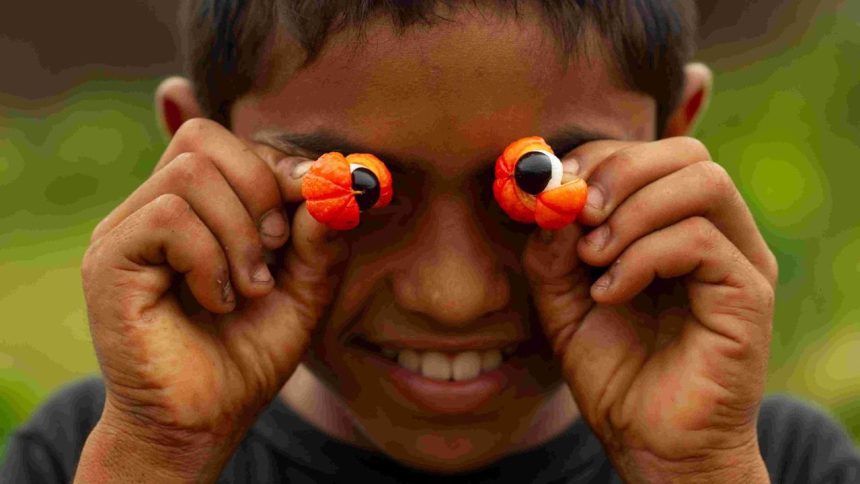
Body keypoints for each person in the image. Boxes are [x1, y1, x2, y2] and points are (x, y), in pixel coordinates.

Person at [3, 1, 859, 482]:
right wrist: (155, 456)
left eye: (537, 184)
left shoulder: (779, 463)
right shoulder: (93, 450)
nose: (454, 298)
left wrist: (700, 471)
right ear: (199, 153)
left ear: (673, 137)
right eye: (359, 191)